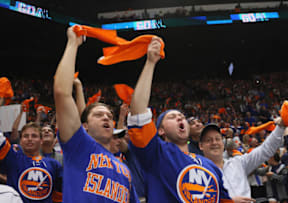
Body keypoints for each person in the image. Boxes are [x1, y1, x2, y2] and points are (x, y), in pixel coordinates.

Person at [127, 37, 233, 202]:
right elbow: (138, 113)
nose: (180, 119)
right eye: (172, 117)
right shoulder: (156, 153)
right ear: (160, 130)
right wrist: (150, 63)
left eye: (182, 117)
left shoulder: (210, 166)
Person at [53, 26, 138, 203]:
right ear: (84, 126)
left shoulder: (124, 169)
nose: (106, 117)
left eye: (109, 115)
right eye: (99, 115)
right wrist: (72, 44)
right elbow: (62, 92)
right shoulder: (79, 145)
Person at [199, 119, 285, 202]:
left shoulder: (238, 162)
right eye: (208, 140)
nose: (214, 143)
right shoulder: (197, 173)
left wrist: (281, 126)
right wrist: (228, 201)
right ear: (201, 146)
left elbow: (265, 150)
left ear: (222, 143)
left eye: (217, 139)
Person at [0, 123, 63, 203]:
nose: (30, 139)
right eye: (25, 136)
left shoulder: (54, 164)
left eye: (34, 136)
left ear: (41, 140)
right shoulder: (13, 156)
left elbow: (59, 197)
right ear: (21, 141)